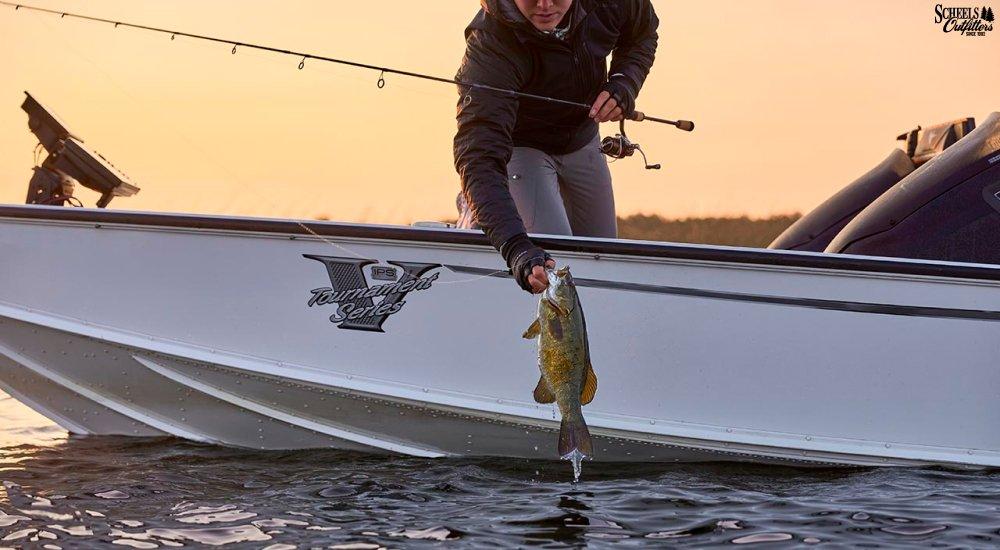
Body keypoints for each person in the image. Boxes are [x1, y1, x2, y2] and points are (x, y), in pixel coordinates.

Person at [454, 0, 658, 294]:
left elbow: (643, 32)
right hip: (521, 148)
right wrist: (517, 248)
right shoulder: (490, 45)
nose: (545, 5)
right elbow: (478, 156)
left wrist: (624, 83)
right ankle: (478, 211)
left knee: (602, 264)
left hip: (583, 139)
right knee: (556, 268)